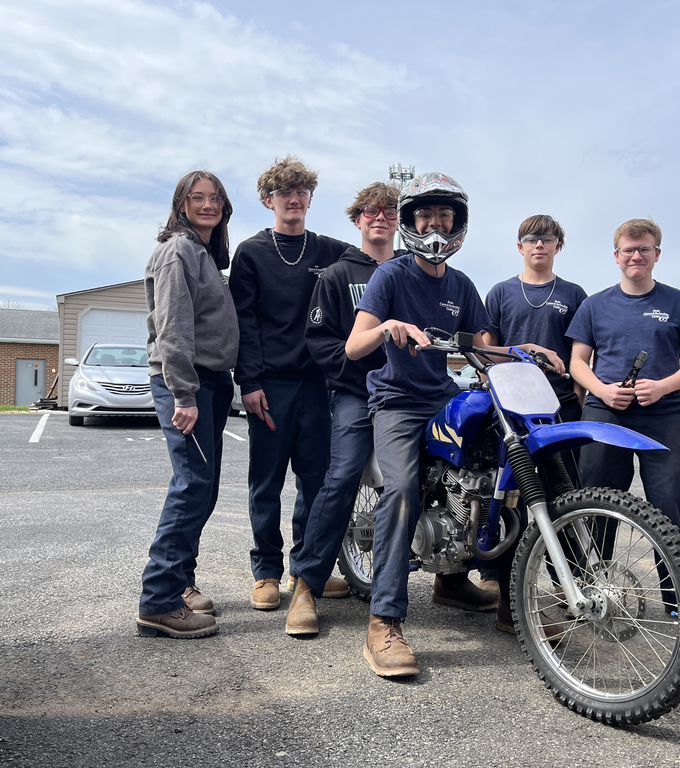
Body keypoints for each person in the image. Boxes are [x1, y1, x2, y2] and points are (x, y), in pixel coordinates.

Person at [345, 173, 558, 676]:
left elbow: (485, 346)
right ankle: (383, 622)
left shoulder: (461, 285)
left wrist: (526, 350)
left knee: (505, 473)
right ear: (412, 222)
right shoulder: (391, 276)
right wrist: (386, 327)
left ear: (457, 223)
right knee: (401, 491)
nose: (435, 224)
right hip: (397, 401)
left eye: (444, 216)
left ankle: (509, 601)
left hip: (442, 394)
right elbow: (354, 346)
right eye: (426, 215)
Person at [565, 218, 680, 630]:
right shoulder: (594, 305)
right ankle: (590, 594)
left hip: (665, 415)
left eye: (644, 249)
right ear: (616, 255)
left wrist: (663, 386)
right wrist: (601, 390)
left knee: (670, 508)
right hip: (606, 414)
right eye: (628, 249)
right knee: (597, 505)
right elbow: (576, 362)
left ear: (657, 254)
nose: (636, 256)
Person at [230, 156, 350, 611]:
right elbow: (244, 321)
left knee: (316, 482)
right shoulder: (251, 253)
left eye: (301, 192)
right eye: (285, 193)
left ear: (310, 198)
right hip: (270, 386)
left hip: (319, 385)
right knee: (266, 482)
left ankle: (306, 569)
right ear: (269, 201)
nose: (294, 199)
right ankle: (266, 572)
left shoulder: (331, 252)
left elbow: (374, 260)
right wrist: (250, 381)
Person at [284, 181, 402, 635]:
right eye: (370, 211)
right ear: (357, 220)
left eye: (389, 211)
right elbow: (321, 342)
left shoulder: (414, 271)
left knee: (443, 469)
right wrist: (355, 376)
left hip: (408, 395)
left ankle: (450, 580)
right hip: (357, 394)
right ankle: (306, 585)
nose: (380, 217)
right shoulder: (337, 275)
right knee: (343, 473)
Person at [137, 170, 239, 639]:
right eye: (197, 198)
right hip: (190, 383)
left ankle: (177, 586)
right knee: (192, 486)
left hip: (211, 381)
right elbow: (173, 327)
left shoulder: (202, 254)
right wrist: (184, 394)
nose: (207, 205)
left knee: (203, 486)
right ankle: (158, 601)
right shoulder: (178, 251)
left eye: (215, 198)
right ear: (181, 204)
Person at [479, 215, 587, 600]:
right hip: (510, 407)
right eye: (530, 239)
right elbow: (487, 350)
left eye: (547, 238)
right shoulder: (501, 292)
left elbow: (580, 354)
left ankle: (568, 580)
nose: (538, 244)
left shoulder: (574, 294)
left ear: (558, 245)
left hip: (559, 407)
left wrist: (578, 398)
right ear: (519, 246)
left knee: (565, 493)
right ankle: (496, 573)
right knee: (506, 491)